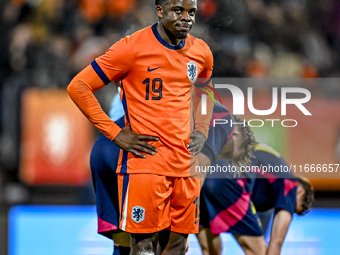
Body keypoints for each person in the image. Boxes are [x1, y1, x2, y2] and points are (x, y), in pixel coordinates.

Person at [67, 0, 214, 254]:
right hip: (146, 163)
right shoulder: (131, 48)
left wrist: (201, 130)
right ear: (160, 11)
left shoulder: (201, 51)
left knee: (178, 246)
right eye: (178, 10)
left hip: (184, 163)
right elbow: (78, 87)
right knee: (142, 247)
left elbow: (205, 90)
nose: (186, 18)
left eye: (191, 12)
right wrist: (114, 133)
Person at [198, 142, 314, 255]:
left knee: (209, 251)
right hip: (230, 178)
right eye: (291, 208)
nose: (287, 209)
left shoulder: (271, 176)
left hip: (202, 173)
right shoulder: (290, 185)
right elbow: (276, 243)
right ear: (300, 191)